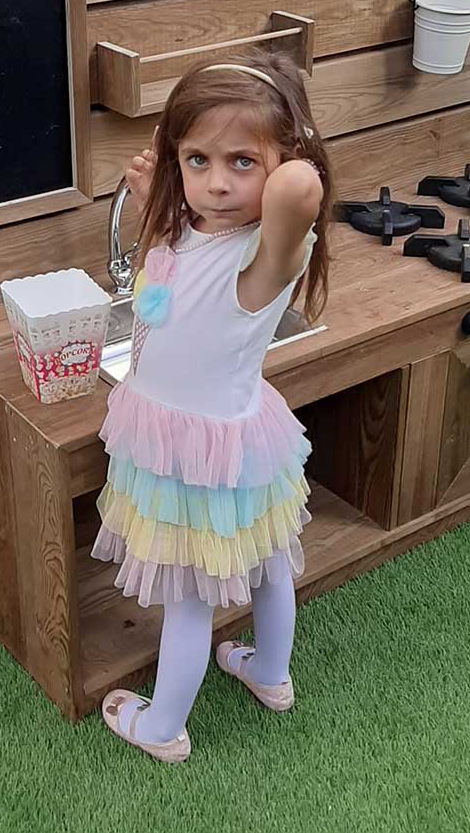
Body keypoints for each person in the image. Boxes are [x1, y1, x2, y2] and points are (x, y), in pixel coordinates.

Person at [93, 48, 333, 762]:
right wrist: (156, 201)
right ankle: (270, 672)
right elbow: (162, 295)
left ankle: (162, 727)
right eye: (197, 160)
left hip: (201, 452)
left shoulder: (266, 256)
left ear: (282, 160)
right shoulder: (191, 229)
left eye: (242, 162)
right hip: (214, 437)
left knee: (190, 600)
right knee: (268, 565)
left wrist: (298, 153)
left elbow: (298, 191)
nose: (217, 183)